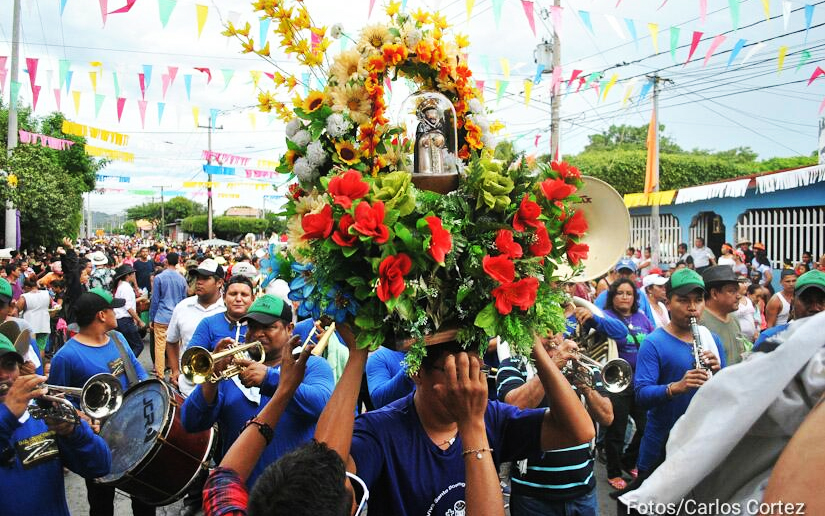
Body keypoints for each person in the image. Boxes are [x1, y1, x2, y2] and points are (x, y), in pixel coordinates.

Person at [314, 324, 596, 516]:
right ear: (417, 373)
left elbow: (579, 431)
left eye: (476, 370)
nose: (470, 384)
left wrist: (537, 349)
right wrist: (356, 356)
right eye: (455, 371)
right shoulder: (381, 430)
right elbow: (323, 479)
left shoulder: (491, 416)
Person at [181, 295, 334, 488]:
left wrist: (269, 379)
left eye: (268, 327)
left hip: (298, 491)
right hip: (240, 492)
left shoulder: (310, 365)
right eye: (252, 326)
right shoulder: (231, 370)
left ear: (289, 329)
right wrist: (211, 380)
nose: (257, 333)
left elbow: (323, 403)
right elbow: (191, 422)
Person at [47, 288, 153, 516]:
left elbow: (139, 374)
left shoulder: (118, 338)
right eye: (112, 308)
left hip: (134, 432)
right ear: (101, 315)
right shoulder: (66, 357)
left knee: (144, 499)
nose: (117, 312)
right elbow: (58, 405)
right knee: (101, 504)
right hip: (98, 442)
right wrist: (82, 420)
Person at [629, 269, 724, 492]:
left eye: (698, 300)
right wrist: (675, 387)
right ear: (668, 303)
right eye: (683, 300)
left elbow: (726, 396)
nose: (692, 308)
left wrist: (719, 374)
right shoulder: (653, 342)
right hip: (661, 447)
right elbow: (641, 395)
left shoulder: (712, 340)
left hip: (699, 445)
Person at [497, 336, 613, 515]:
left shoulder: (582, 366)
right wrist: (551, 365)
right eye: (544, 329)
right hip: (532, 495)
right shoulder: (513, 364)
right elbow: (513, 408)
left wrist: (587, 389)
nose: (551, 335)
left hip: (583, 492)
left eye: (556, 329)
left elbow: (607, 417)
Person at [0, 335, 112, 516]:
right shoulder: (10, 416)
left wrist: (75, 433)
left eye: (9, 365)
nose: (4, 375)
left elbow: (100, 467)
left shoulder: (38, 414)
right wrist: (7, 416)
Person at [602, 278, 655, 490]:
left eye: (629, 293)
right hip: (618, 382)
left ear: (635, 297)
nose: (625, 297)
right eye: (620, 293)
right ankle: (614, 471)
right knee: (617, 430)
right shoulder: (607, 316)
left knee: (646, 426)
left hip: (640, 380)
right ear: (613, 296)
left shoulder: (642, 318)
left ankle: (627, 461)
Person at [166, 258, 226, 395]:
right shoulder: (182, 307)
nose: (199, 282)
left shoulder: (227, 310)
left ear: (219, 283)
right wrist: (175, 370)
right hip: (187, 387)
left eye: (205, 278)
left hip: (220, 386)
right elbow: (171, 340)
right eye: (198, 277)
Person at [754, 269, 825, 352]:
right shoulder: (770, 339)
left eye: (822, 301)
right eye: (806, 300)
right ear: (792, 302)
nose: (815, 308)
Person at [149, 252, 188, 377]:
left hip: (161, 316)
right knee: (176, 346)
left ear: (166, 261)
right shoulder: (181, 278)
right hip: (176, 317)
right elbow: (184, 300)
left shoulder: (159, 278)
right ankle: (174, 373)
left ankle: (160, 374)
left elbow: (155, 300)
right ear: (177, 262)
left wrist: (151, 317)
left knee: (160, 347)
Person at [699, 265, 747, 366]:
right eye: (732, 291)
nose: (738, 296)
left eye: (737, 290)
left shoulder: (733, 318)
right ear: (714, 294)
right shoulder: (700, 322)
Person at [594, 259, 655, 324]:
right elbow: (596, 318)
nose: (624, 277)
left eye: (628, 273)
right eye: (621, 273)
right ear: (614, 274)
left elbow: (651, 322)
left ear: (635, 275)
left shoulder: (641, 295)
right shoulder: (604, 295)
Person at [110, 264, 146, 358]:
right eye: (133, 274)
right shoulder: (126, 287)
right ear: (127, 276)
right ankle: (127, 365)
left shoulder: (122, 286)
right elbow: (128, 307)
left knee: (127, 346)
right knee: (138, 345)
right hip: (125, 320)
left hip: (120, 320)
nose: (134, 276)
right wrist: (139, 320)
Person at [16, 278, 51, 352]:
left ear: (27, 287)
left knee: (31, 349)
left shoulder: (25, 296)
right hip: (44, 325)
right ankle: (41, 363)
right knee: (41, 348)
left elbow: (17, 309)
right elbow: (51, 305)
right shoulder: (46, 293)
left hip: (30, 325)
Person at [733, 277, 759, 343]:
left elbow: (752, 317)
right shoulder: (732, 301)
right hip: (738, 339)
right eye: (741, 282)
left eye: (746, 282)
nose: (745, 285)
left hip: (751, 339)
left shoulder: (748, 300)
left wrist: (755, 331)